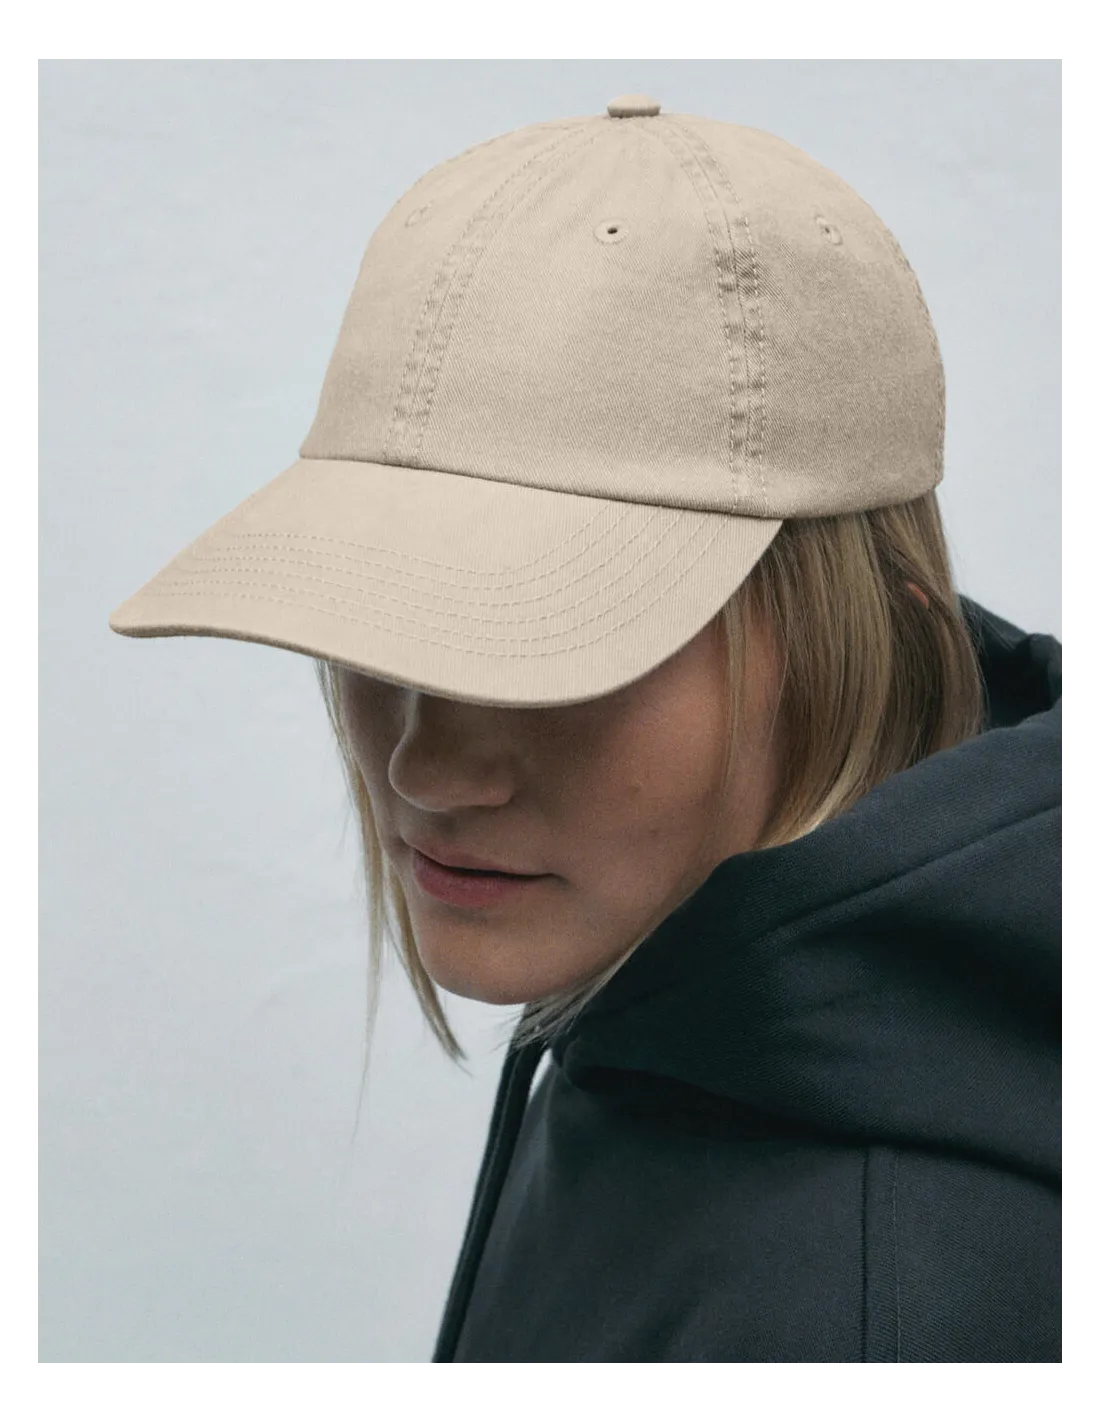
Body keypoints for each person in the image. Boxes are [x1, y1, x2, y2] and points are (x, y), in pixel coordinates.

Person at [108, 95, 1063, 1367]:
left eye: (551, 654)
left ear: (869, 640)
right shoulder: (680, 999)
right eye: (381, 632)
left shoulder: (873, 1309)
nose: (422, 766)